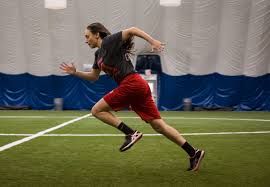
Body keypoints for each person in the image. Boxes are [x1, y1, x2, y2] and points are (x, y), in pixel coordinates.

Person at [60, 22, 205, 171]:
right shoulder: (98, 55)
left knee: (96, 110)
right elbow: (94, 76)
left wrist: (152, 41)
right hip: (137, 86)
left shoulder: (109, 41)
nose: (86, 40)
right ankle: (193, 153)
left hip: (132, 83)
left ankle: (130, 133)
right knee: (159, 126)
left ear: (97, 34)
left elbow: (132, 30)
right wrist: (75, 72)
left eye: (87, 36)